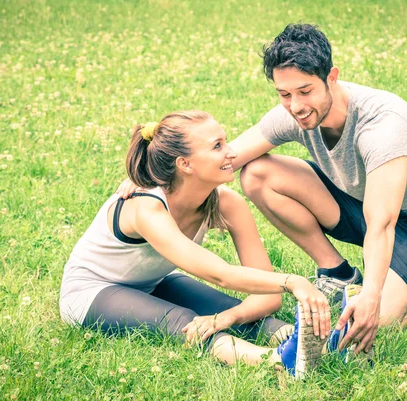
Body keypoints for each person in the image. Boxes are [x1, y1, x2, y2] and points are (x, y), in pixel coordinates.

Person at [228, 23, 407, 355]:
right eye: (284, 94)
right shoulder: (294, 111)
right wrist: (152, 181)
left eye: (305, 91)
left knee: (364, 330)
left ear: (332, 77)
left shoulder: (382, 125)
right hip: (359, 204)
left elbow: (382, 223)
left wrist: (372, 296)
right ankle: (338, 273)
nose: (296, 105)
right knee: (257, 174)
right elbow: (226, 159)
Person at [59, 110, 330, 377]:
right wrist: (293, 281)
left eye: (225, 141)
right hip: (93, 290)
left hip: (153, 283)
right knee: (182, 321)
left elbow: (267, 297)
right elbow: (220, 274)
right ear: (184, 164)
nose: (231, 152)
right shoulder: (145, 207)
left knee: (231, 309)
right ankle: (279, 360)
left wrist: (228, 317)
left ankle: (324, 345)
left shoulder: (227, 203)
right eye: (217, 146)